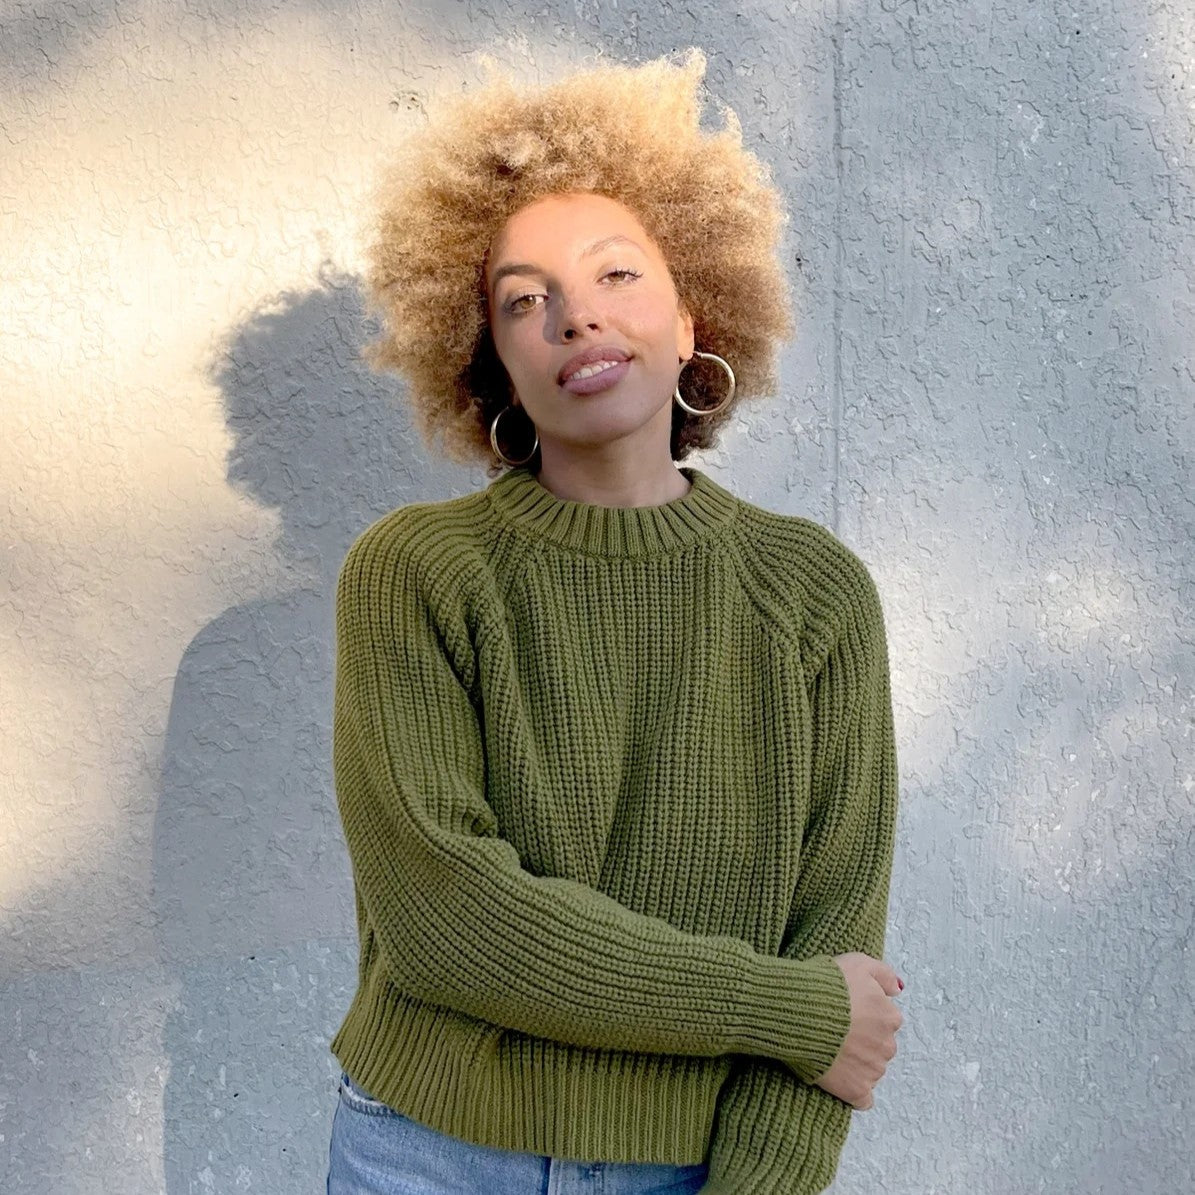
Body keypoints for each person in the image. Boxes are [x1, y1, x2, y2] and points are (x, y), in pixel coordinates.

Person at [325, 46, 905, 1195]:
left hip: (690, 1169)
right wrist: (783, 1009)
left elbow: (834, 940)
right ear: (490, 360)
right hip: (428, 1150)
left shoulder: (813, 595)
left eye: (616, 277)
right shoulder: (418, 573)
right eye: (523, 302)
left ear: (694, 318)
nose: (575, 318)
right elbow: (451, 921)